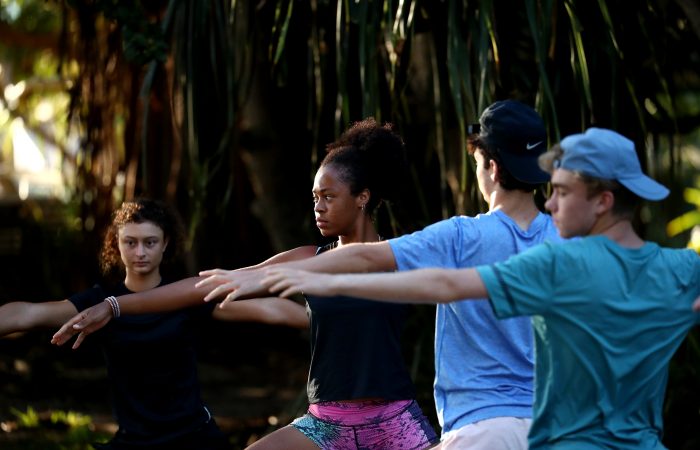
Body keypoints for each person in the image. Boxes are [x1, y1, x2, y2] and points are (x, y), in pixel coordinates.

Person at [260, 128, 700, 449]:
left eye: (563, 192)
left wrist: (315, 277)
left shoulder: (511, 246)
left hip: (490, 430)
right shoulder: (662, 266)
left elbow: (443, 282)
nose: (551, 202)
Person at [53, 118, 440, 450]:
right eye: (314, 197)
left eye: (329, 196)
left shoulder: (401, 256)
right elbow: (208, 287)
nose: (318, 207)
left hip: (394, 421)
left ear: (362, 198)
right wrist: (115, 305)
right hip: (326, 424)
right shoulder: (309, 260)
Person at [194, 99, 560, 449]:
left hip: (475, 426)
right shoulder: (566, 241)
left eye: (478, 162)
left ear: (492, 168)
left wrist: (297, 277)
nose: (319, 206)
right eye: (315, 197)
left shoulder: (460, 235)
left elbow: (370, 261)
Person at [0, 198, 308, 450]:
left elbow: (271, 310)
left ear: (165, 243)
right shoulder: (99, 303)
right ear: (116, 244)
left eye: (150, 242)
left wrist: (327, 318)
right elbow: (28, 314)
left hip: (193, 438)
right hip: (135, 441)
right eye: (130, 242)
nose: (140, 252)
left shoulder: (185, 297)